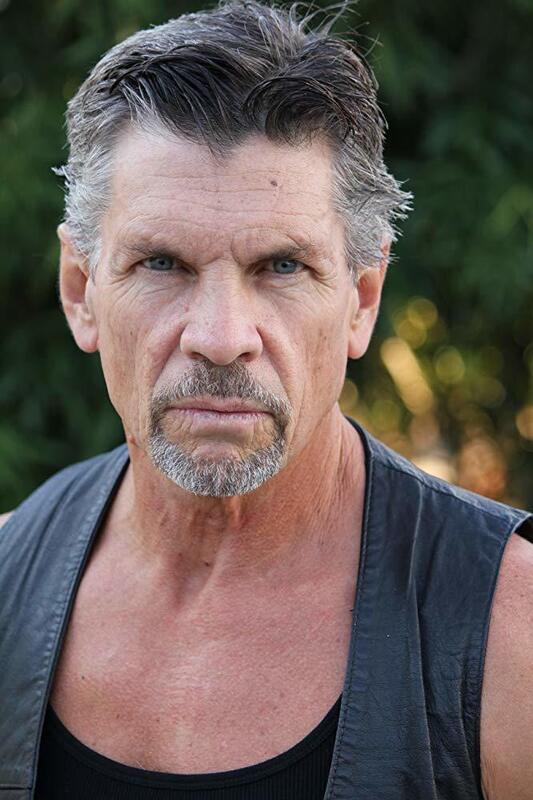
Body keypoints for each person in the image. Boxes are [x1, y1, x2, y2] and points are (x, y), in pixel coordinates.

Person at [0, 2, 532, 798]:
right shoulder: (6, 577)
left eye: (282, 267)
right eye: (161, 264)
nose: (221, 338)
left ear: (360, 300)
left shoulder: (508, 629)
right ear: (81, 291)